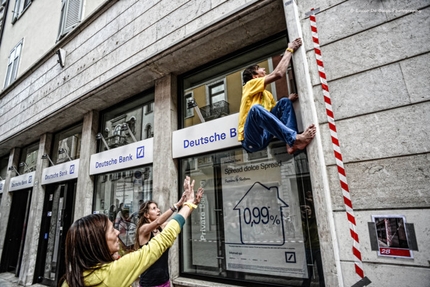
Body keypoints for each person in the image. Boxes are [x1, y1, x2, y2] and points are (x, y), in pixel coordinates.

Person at [60, 176, 203, 287]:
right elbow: (164, 236)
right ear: (97, 243)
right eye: (111, 230)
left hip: (164, 279)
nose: (117, 232)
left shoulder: (70, 281)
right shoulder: (142, 232)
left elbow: (172, 225)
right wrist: (183, 204)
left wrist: (192, 204)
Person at [237, 37, 316, 154]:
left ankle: (291, 144)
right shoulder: (249, 85)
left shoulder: (267, 94)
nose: (264, 69)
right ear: (255, 77)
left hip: (265, 135)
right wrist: (290, 49)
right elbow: (279, 73)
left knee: (284, 102)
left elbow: (274, 115)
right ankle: (294, 138)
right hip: (251, 141)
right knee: (255, 110)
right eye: (259, 69)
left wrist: (287, 101)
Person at [134, 192, 187, 287]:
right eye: (154, 208)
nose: (158, 210)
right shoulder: (143, 230)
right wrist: (176, 205)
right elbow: (158, 221)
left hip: (165, 281)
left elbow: (177, 219)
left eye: (157, 207)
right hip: (149, 283)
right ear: (146, 215)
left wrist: (189, 202)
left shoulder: (161, 227)